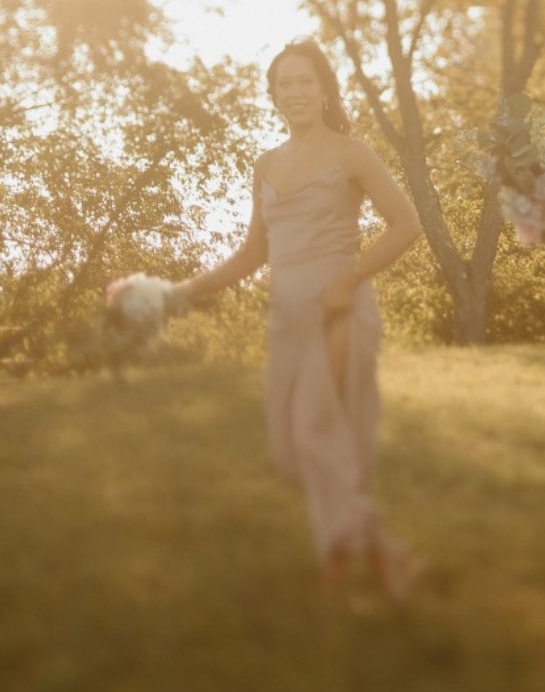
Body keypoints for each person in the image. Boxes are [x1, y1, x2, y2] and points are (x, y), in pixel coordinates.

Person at [172, 36, 423, 595]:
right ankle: (385, 551)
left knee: (319, 432)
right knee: (291, 453)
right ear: (274, 96)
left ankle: (337, 575)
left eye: (305, 81)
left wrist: (349, 277)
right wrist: (186, 290)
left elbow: (407, 225)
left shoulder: (352, 153)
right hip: (287, 319)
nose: (295, 92)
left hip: (339, 311)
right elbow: (251, 255)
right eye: (284, 84)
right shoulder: (266, 164)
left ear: (325, 88)